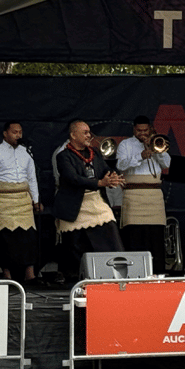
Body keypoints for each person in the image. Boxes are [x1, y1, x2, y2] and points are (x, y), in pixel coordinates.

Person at [54, 120, 125, 280]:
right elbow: (72, 178)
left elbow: (104, 169)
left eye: (89, 132)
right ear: (73, 135)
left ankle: (116, 277)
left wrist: (111, 176)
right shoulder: (63, 156)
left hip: (96, 202)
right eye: (85, 132)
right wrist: (99, 183)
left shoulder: (95, 152)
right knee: (75, 247)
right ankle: (78, 283)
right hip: (74, 205)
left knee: (111, 237)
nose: (89, 135)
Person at [0, 121, 43, 284]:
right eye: (15, 132)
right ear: (5, 133)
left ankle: (30, 274)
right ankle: (7, 275)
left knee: (28, 237)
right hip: (2, 200)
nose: (18, 135)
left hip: (23, 200)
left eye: (20, 132)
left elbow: (32, 178)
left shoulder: (25, 153)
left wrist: (36, 200)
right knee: (5, 239)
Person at [116, 115, 171, 274]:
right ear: (134, 129)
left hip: (154, 196)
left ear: (150, 129)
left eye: (145, 130)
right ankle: (135, 272)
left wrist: (156, 150)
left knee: (156, 234)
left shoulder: (157, 141)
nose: (142, 133)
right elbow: (120, 165)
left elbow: (167, 164)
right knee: (135, 234)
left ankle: (158, 272)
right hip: (133, 195)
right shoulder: (126, 144)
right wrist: (140, 156)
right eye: (139, 131)